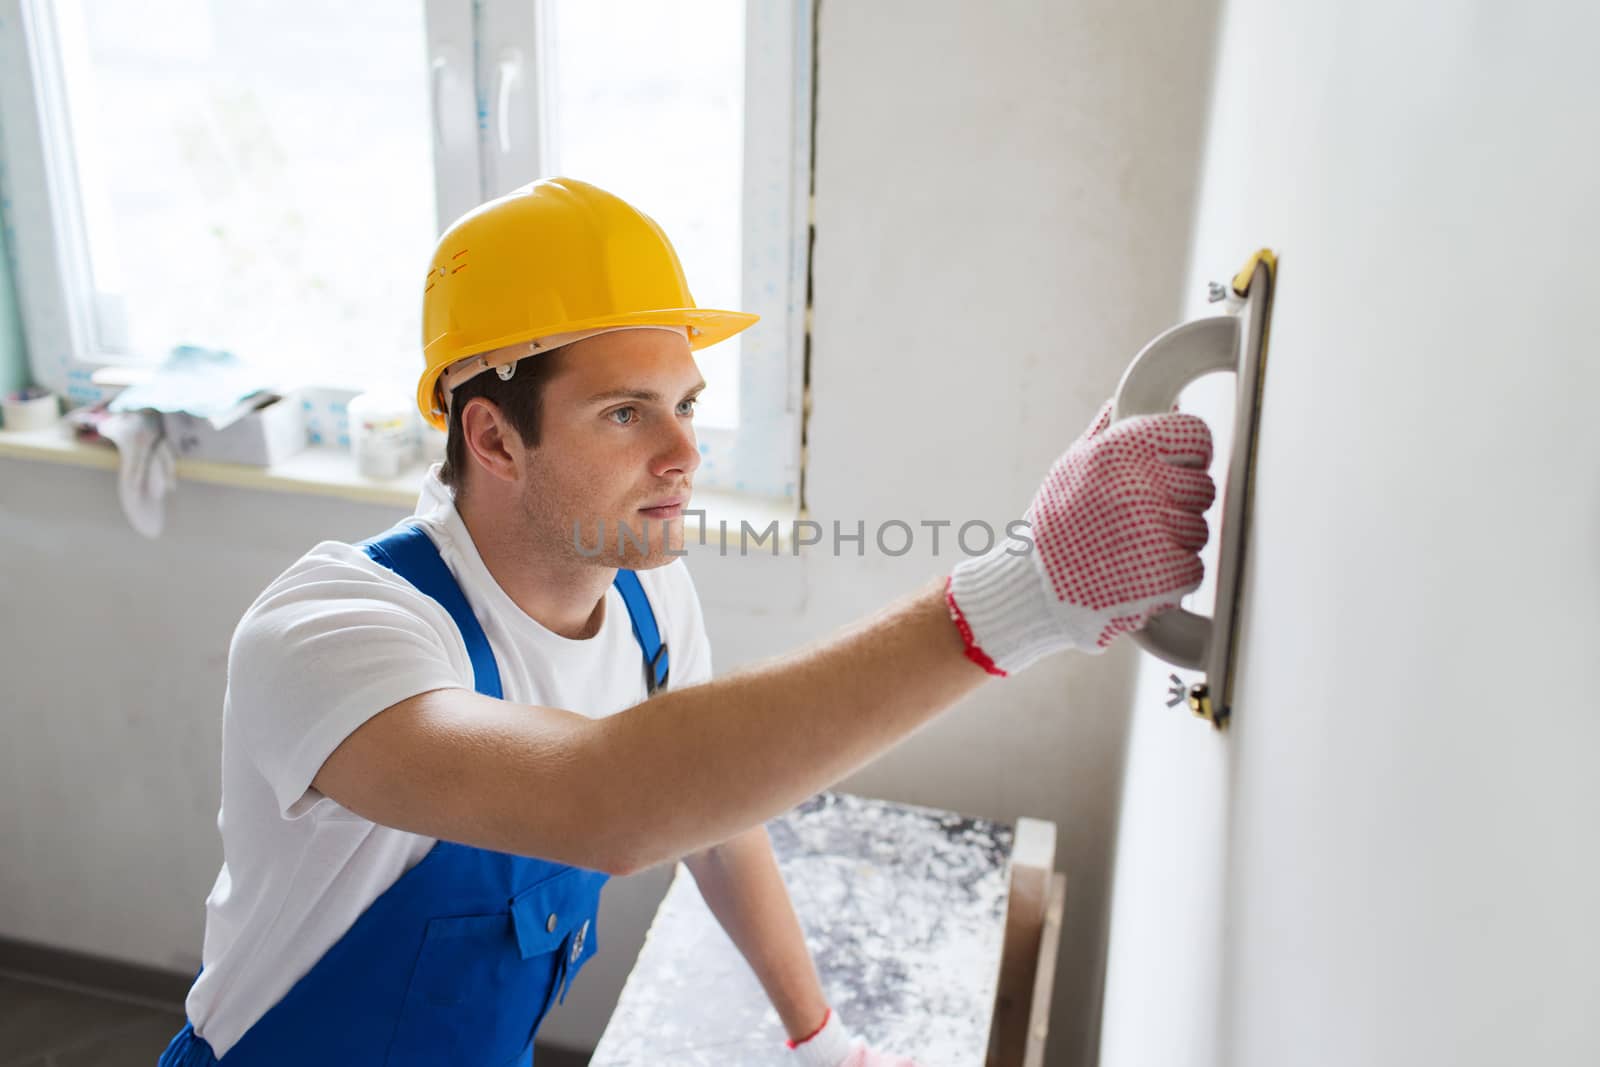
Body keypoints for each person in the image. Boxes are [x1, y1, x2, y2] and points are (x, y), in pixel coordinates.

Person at [158, 177, 1215, 1066]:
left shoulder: (647, 596)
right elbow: (605, 799)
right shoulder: (335, 629)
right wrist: (1014, 599)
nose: (683, 453)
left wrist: (818, 1037)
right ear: (492, 437)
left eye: (688, 404)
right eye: (626, 411)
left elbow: (709, 813)